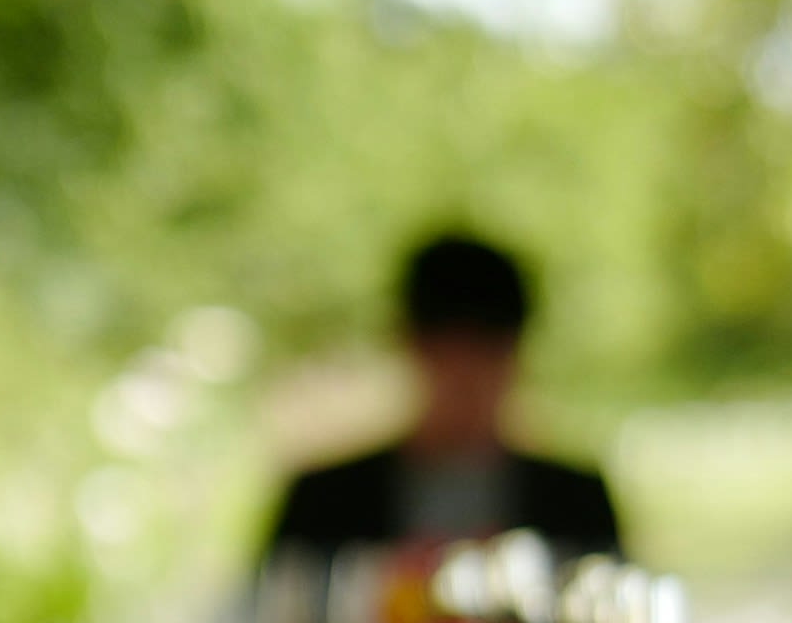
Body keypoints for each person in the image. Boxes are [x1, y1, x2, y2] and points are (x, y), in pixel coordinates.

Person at [259, 234, 624, 565]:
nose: (465, 377)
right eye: (448, 352)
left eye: (485, 351)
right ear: (411, 347)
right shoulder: (323, 504)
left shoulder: (578, 506)